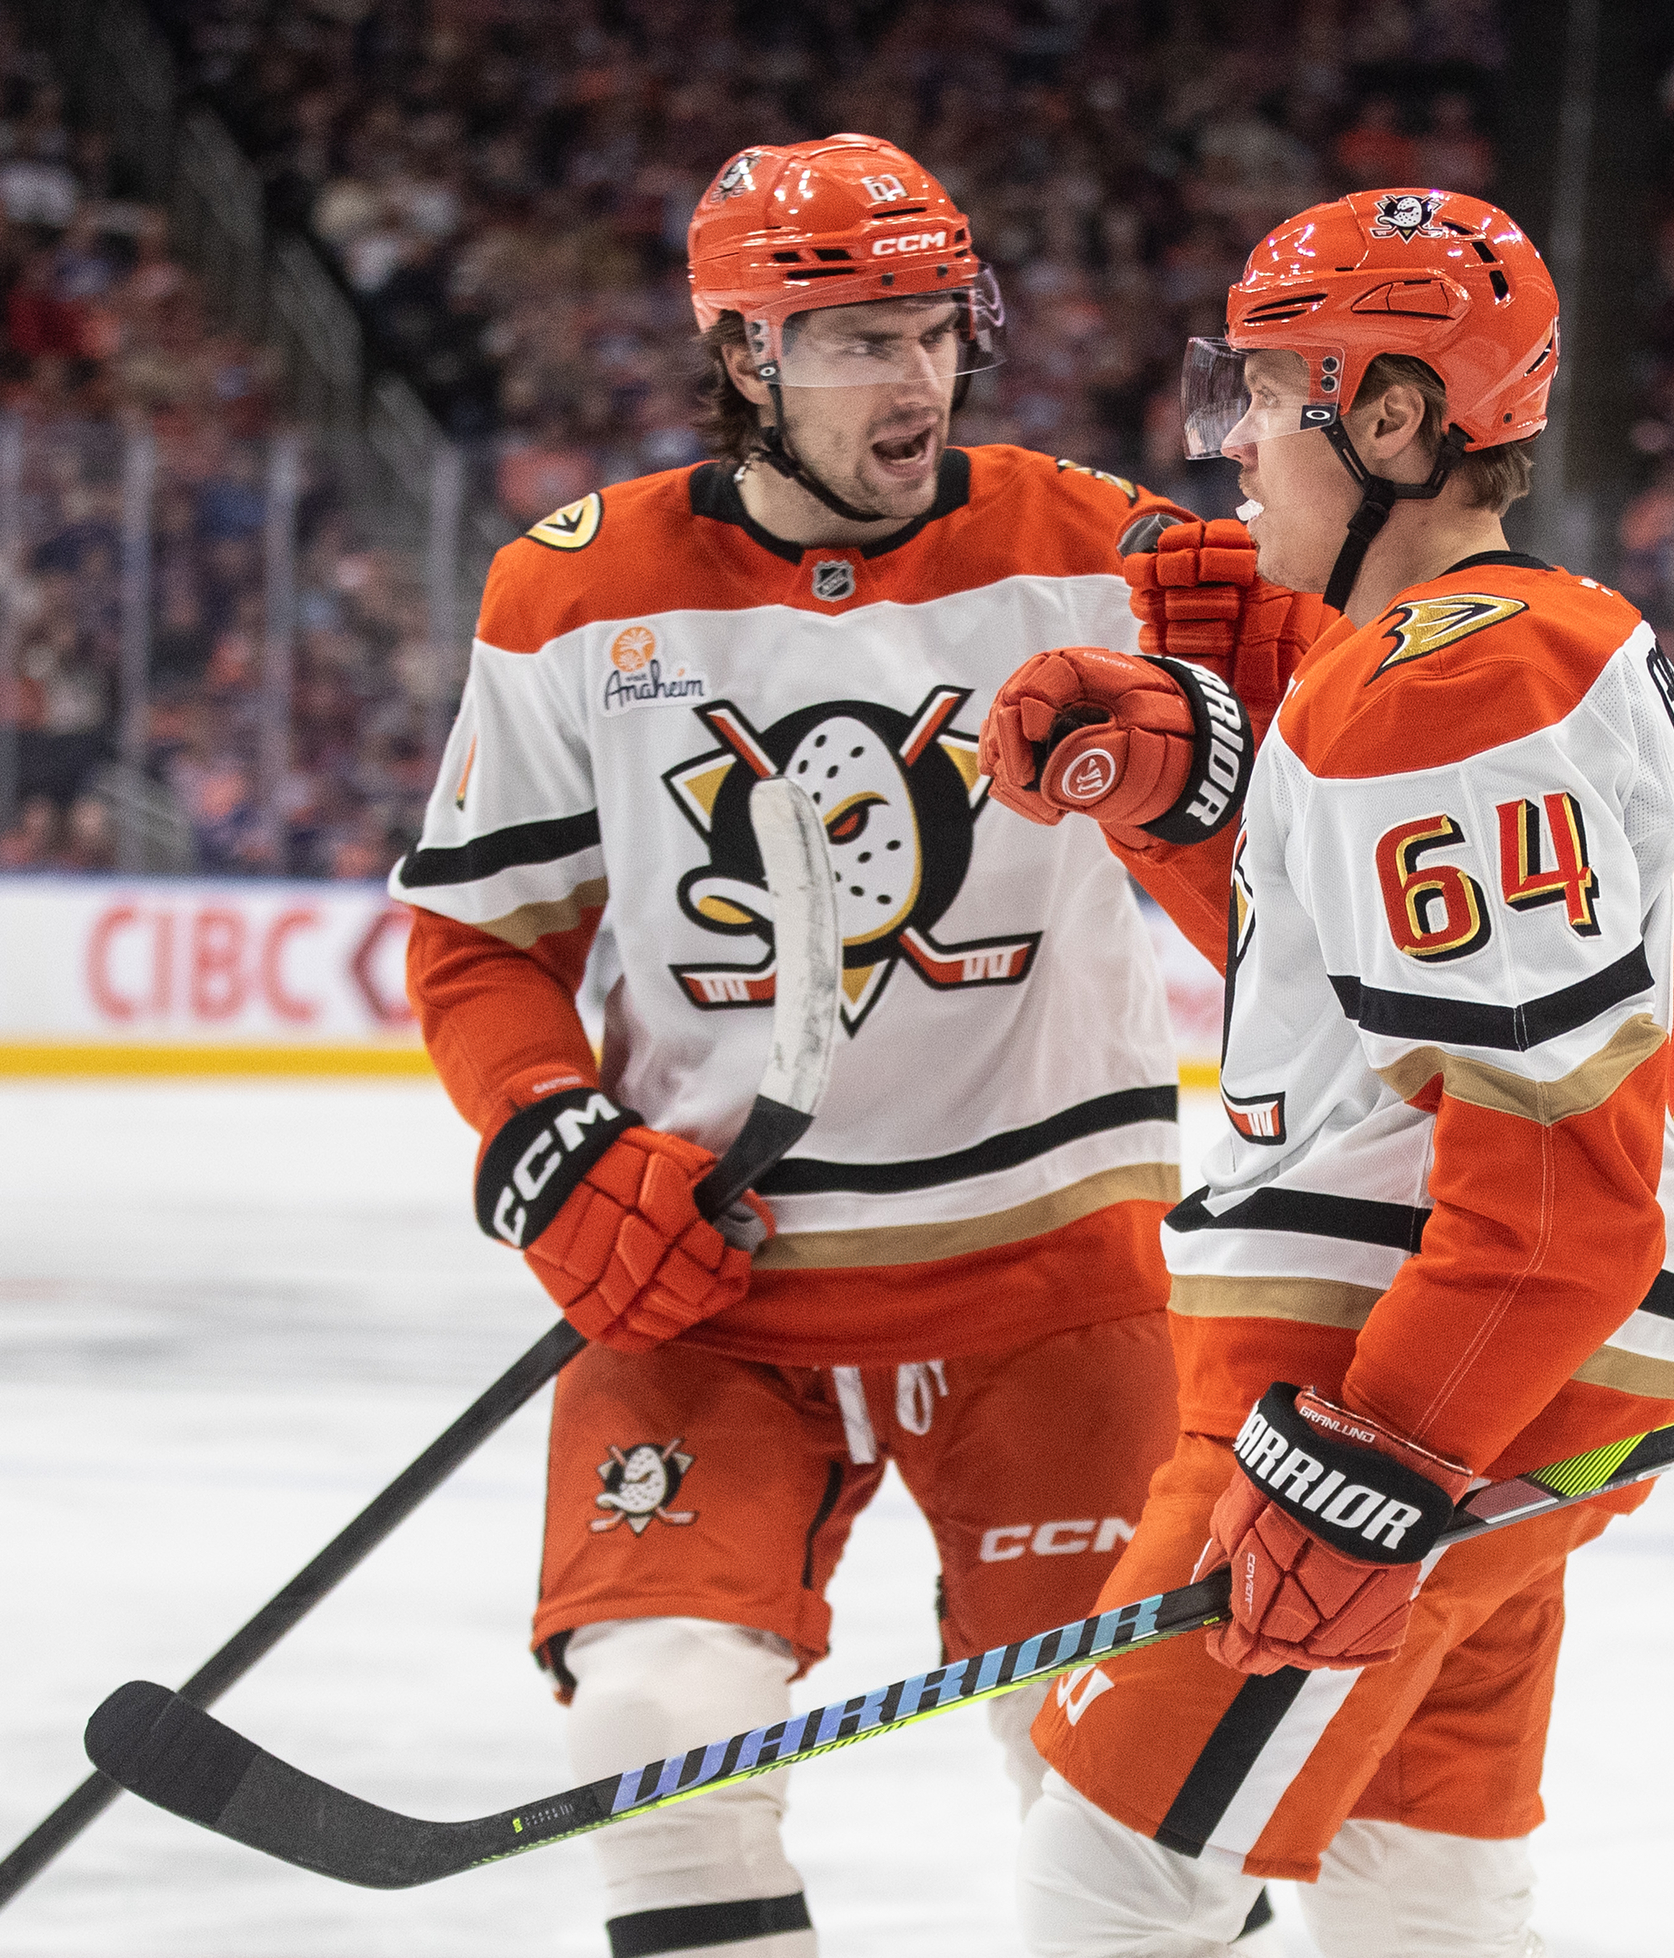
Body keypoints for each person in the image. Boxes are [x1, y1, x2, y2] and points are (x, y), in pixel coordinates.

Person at [389, 134, 1208, 1958]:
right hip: (714, 1285)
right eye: (855, 340)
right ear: (743, 354)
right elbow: (480, 933)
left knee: (1129, 1792)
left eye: (936, 328)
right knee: (657, 1721)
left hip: (1052, 1276)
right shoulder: (572, 589)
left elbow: (1314, 808)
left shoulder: (1114, 552)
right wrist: (550, 1136)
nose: (916, 380)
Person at [975, 189, 1674, 1957]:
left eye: (1270, 394)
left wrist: (1390, 1452)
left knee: (1108, 1873)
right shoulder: (1524, 635)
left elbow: (1563, 1176)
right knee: (1421, 1870)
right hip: (1501, 1357)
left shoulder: (1446, 691)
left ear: (1399, 416)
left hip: (1397, 1361)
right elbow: (1364, 1020)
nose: (1234, 445)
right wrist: (1185, 800)